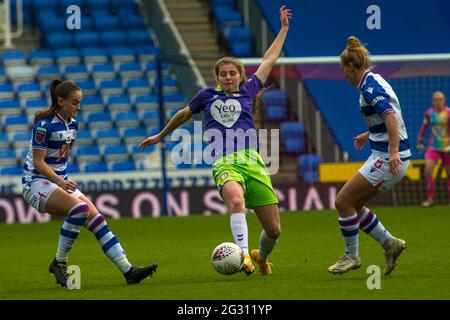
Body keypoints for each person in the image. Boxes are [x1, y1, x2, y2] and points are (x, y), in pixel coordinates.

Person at [139, 6, 292, 276]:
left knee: (274, 230)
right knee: (235, 202)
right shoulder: (206, 96)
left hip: (253, 161)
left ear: (241, 75)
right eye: (223, 74)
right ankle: (243, 253)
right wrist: (161, 135)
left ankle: (261, 257)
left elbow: (269, 59)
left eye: (233, 73)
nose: (228, 77)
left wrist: (283, 30)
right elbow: (183, 114)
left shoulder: (249, 89)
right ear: (218, 77)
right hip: (225, 161)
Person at [22, 80, 157, 287]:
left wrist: (61, 181)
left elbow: (59, 160)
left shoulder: (73, 124)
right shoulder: (44, 126)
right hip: (36, 183)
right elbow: (39, 163)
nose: (78, 107)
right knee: (80, 209)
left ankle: (128, 270)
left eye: (80, 102)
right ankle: (59, 262)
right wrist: (61, 181)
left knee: (97, 219)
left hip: (57, 183)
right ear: (60, 102)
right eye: (75, 103)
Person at [328, 36, 409, 276]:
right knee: (354, 204)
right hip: (383, 153)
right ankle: (390, 244)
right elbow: (386, 119)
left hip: (388, 158)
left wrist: (393, 152)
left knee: (343, 202)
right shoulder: (373, 80)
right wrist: (367, 135)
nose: (344, 76)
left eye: (344, 71)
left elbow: (391, 118)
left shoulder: (370, 88)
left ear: (352, 67)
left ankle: (352, 256)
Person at [416, 91, 450, 207]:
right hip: (434, 147)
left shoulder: (449, 113)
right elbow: (424, 127)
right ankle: (430, 199)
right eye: (436, 99)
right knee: (428, 171)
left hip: (448, 148)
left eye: (440, 99)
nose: (438, 101)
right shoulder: (429, 113)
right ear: (433, 101)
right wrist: (420, 141)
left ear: (444, 100)